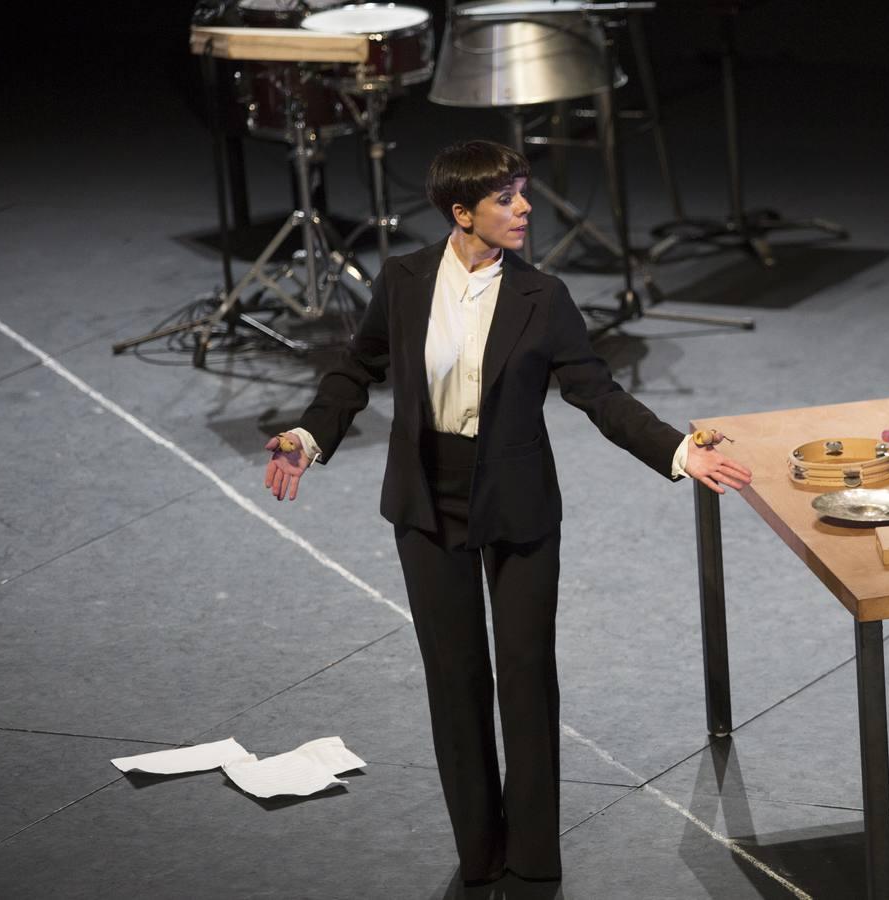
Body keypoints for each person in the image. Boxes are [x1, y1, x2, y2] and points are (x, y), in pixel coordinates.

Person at [261, 139, 752, 883]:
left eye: (523, 193)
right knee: (453, 679)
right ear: (462, 213)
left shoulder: (543, 297)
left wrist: (679, 452)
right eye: (505, 199)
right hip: (427, 499)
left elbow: (598, 393)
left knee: (524, 674)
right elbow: (354, 370)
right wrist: (306, 434)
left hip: (517, 502)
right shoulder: (402, 280)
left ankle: (531, 861)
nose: (524, 209)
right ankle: (477, 855)